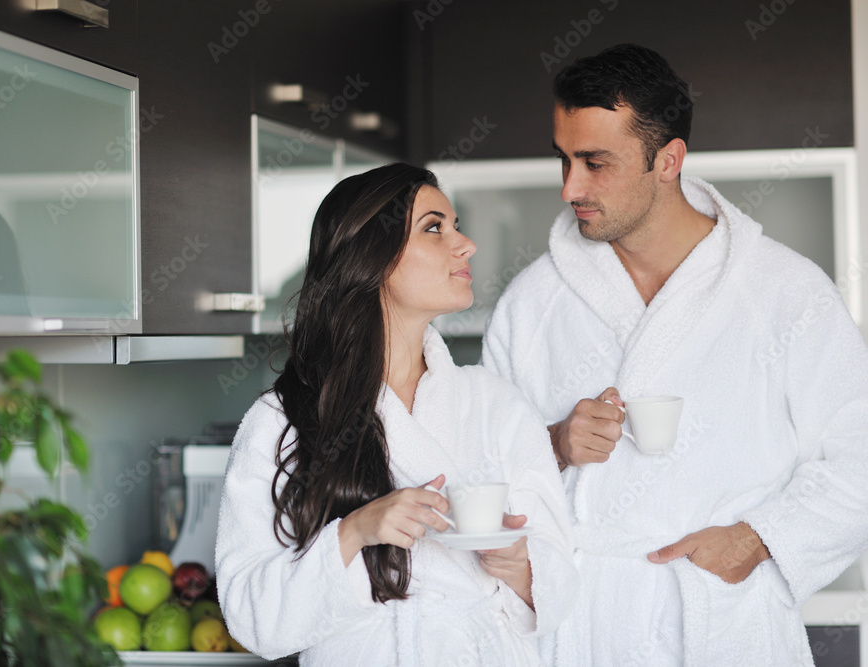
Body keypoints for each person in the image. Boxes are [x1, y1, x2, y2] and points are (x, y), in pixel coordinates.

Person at [482, 43, 868, 666]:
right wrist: (552, 443)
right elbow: (478, 470)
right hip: (582, 627)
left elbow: (860, 459)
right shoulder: (533, 303)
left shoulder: (785, 292)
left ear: (669, 160)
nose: (569, 187)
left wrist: (759, 540)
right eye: (564, 159)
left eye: (594, 162)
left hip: (720, 622)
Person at [216, 163, 577, 666]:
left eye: (456, 225)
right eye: (435, 228)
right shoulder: (283, 421)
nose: (466, 243)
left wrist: (518, 565)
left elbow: (559, 586)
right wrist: (354, 531)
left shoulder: (498, 406)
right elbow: (252, 620)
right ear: (373, 257)